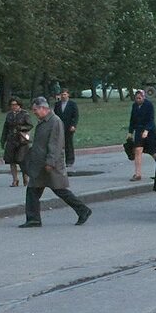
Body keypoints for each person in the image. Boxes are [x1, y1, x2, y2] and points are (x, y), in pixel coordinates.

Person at [18, 97, 91, 228]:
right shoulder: (43, 121)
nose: (34, 112)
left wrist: (50, 162)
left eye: (35, 110)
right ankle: (33, 219)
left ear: (43, 108)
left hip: (50, 165)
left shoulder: (55, 122)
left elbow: (55, 144)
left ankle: (83, 210)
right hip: (40, 164)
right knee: (32, 191)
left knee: (60, 190)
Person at [0, 97, 32, 187]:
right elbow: (5, 128)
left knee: (22, 160)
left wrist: (21, 128)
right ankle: (15, 180)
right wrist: (3, 140)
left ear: (19, 105)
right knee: (11, 161)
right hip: (11, 139)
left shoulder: (25, 114)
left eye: (15, 105)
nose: (13, 106)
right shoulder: (9, 115)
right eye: (12, 105)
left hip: (21, 141)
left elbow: (30, 125)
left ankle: (25, 179)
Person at [128, 88, 156, 181]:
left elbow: (151, 119)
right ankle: (138, 174)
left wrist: (147, 130)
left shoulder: (149, 105)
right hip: (138, 130)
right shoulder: (134, 106)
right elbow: (132, 119)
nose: (138, 100)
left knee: (153, 152)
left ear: (143, 97)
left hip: (150, 132)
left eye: (140, 98)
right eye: (136, 98)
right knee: (137, 150)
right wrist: (130, 131)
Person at [52, 88, 79, 167]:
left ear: (68, 95)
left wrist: (73, 125)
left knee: (68, 143)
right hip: (59, 126)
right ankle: (58, 160)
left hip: (69, 126)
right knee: (58, 143)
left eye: (65, 94)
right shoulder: (57, 104)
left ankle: (70, 160)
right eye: (62, 94)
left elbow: (76, 115)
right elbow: (55, 115)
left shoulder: (72, 104)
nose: (63, 96)